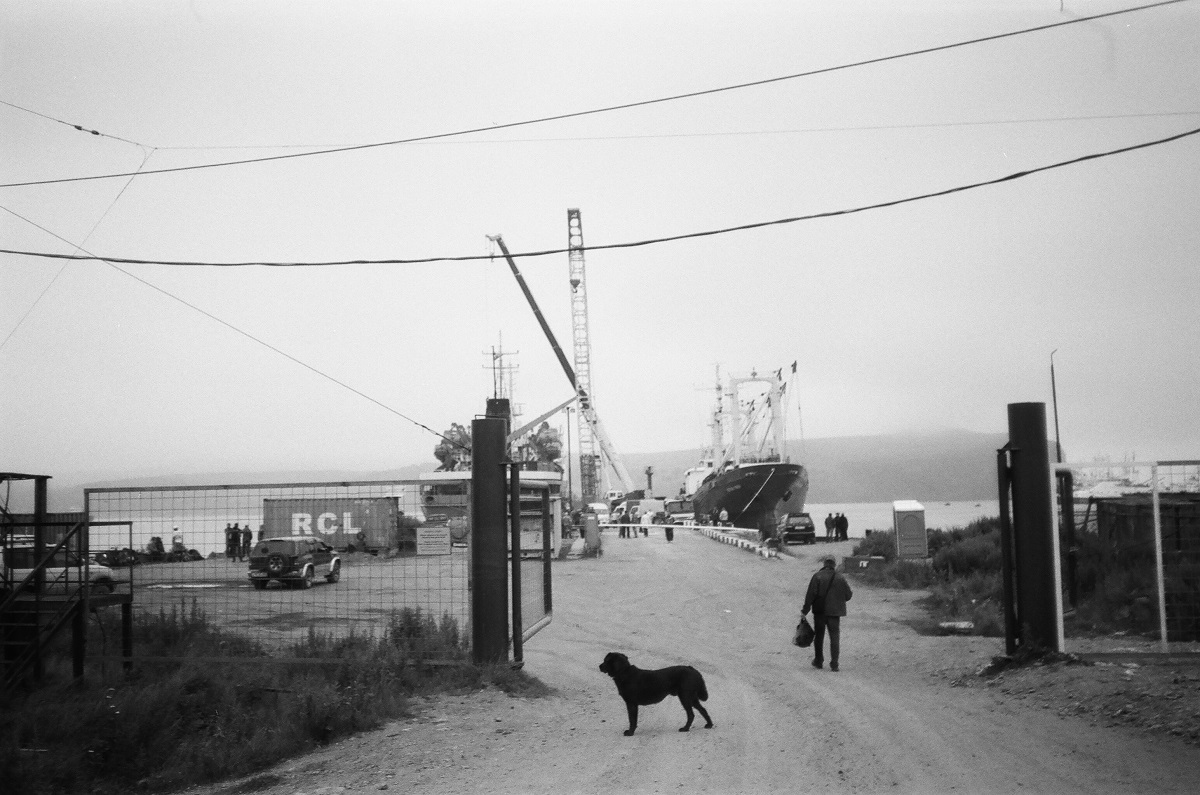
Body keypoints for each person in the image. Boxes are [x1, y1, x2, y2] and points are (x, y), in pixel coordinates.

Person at [801, 555, 853, 671]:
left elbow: (810, 596)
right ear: (834, 565)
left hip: (820, 612)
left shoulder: (817, 576)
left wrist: (805, 611)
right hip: (834, 613)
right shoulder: (840, 578)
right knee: (834, 637)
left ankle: (818, 661)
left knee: (819, 636)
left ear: (824, 564)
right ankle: (834, 664)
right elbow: (848, 595)